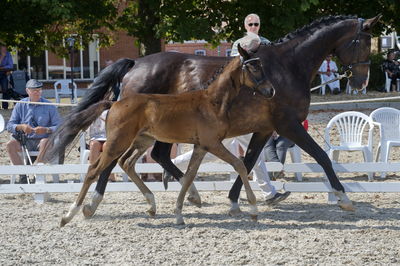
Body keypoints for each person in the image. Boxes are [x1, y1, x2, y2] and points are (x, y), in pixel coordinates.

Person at [6, 79, 61, 183]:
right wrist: (20, 127)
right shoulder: (20, 105)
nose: (37, 92)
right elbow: (9, 126)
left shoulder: (49, 105)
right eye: (34, 90)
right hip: (24, 140)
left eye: (39, 90)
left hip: (42, 141)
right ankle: (23, 175)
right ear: (27, 91)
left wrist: (46, 129)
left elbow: (59, 126)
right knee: (10, 144)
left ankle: (38, 174)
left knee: (45, 142)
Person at [87, 110, 116, 182]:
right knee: (94, 145)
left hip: (108, 136)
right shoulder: (92, 109)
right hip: (95, 137)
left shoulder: (112, 109)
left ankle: (110, 175)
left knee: (106, 146)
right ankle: (94, 175)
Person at [0, 44, 14, 109]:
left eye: (5, 49)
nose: (4, 50)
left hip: (4, 73)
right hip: (3, 73)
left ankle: (5, 106)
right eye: (3, 49)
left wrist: (2, 67)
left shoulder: (8, 54)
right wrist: (2, 56)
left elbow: (10, 66)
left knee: (5, 89)